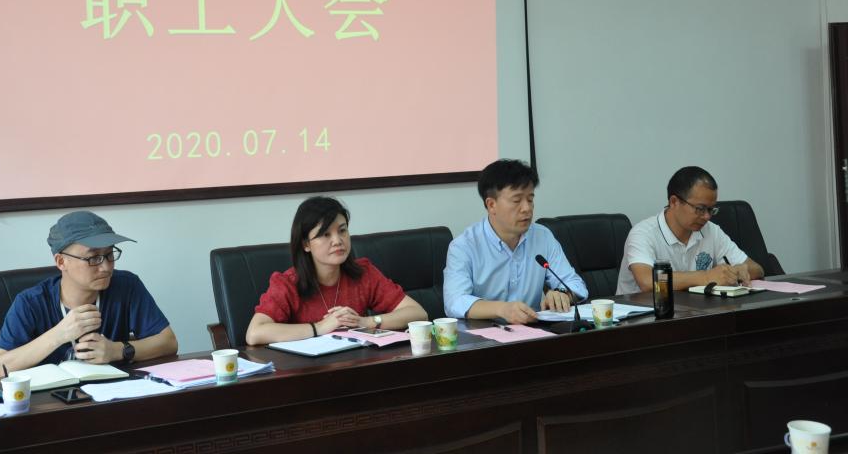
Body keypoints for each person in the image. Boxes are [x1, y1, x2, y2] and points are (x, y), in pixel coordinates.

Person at [0, 210, 177, 377]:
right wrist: (58, 335)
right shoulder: (30, 303)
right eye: (93, 258)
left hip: (114, 396)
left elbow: (169, 342)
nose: (106, 267)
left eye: (109, 254)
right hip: (50, 402)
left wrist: (118, 350)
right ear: (61, 262)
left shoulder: (127, 286)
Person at [245, 196, 428, 345]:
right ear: (306, 244)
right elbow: (254, 333)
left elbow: (418, 313)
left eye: (342, 231)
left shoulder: (363, 273)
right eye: (326, 234)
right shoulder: (288, 283)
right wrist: (320, 327)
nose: (338, 241)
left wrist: (366, 322)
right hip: (307, 372)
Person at [443, 159, 588, 325]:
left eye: (530, 199)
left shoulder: (543, 236)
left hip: (534, 332)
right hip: (484, 335)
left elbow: (575, 284)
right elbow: (455, 301)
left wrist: (562, 293)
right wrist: (501, 309)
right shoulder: (464, 246)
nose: (527, 208)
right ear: (491, 205)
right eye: (517, 200)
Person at [616, 166, 765, 295]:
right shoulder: (643, 234)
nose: (707, 217)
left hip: (693, 311)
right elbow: (647, 282)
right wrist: (706, 277)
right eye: (700, 209)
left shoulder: (711, 231)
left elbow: (757, 269)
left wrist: (739, 270)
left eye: (711, 210)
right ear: (674, 202)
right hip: (644, 315)